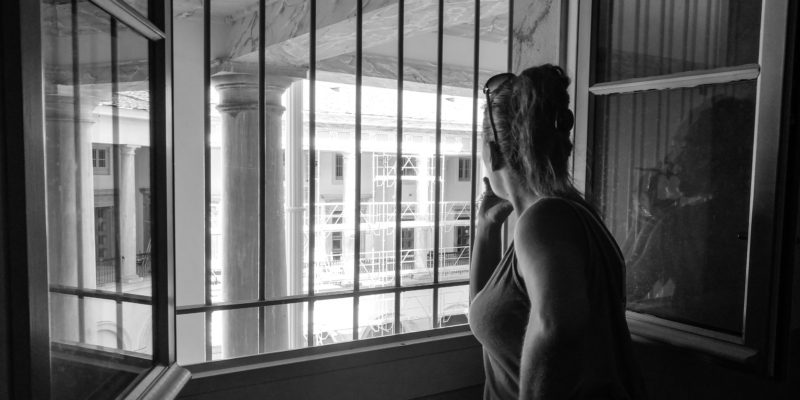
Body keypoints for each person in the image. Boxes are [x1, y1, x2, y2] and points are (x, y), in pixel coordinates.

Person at [468, 64, 646, 399]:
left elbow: (557, 326)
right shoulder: (563, 217)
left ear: (491, 154)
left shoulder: (544, 223)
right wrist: (486, 229)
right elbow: (485, 314)